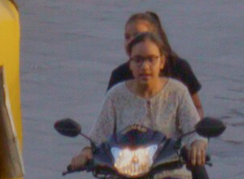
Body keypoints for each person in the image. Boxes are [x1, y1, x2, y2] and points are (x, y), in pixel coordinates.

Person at [69, 28, 205, 172]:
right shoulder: (116, 95)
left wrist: (197, 144)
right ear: (130, 64)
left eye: (151, 59)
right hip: (125, 171)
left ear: (162, 62)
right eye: (138, 60)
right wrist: (85, 152)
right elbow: (97, 136)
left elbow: (194, 130)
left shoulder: (177, 91)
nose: (145, 66)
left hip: (170, 172)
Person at [106, 13, 201, 99]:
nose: (131, 41)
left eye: (138, 36)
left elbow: (196, 107)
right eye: (127, 37)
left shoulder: (178, 68)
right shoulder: (118, 75)